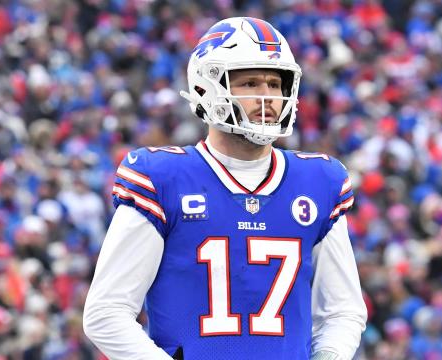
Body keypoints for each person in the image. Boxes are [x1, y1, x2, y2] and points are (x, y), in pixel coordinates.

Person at [83, 17, 367, 360]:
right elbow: (106, 313)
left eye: (275, 84)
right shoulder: (163, 178)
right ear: (207, 87)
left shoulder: (318, 181)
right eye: (249, 83)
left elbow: (342, 311)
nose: (268, 98)